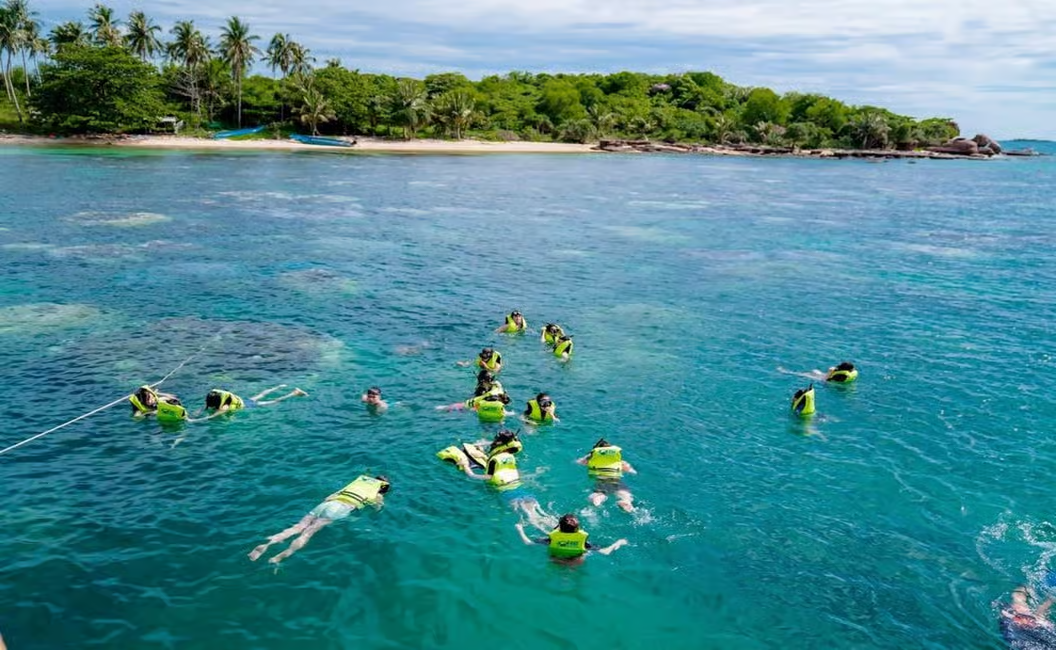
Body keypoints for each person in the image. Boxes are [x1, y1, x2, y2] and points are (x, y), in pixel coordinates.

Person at [248, 475, 390, 565]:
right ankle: (279, 557)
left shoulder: (356, 485)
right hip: (340, 508)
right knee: (307, 534)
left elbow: (327, 498)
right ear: (382, 487)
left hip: (325, 504)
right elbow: (377, 508)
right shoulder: (377, 494)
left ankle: (267, 544)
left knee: (297, 527)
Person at [461, 451, 555, 532]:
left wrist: (465, 465)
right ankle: (558, 526)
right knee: (541, 514)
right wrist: (482, 456)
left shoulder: (489, 476)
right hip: (523, 492)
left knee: (531, 517)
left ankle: (548, 534)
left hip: (510, 495)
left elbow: (471, 475)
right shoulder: (513, 471)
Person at [515, 513, 628, 563]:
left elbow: (528, 543)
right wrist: (618, 542)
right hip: (575, 563)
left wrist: (520, 529)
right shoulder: (583, 542)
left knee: (543, 530)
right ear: (578, 529)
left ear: (559, 528)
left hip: (555, 561)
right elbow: (606, 552)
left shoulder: (552, 539)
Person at [576, 438, 637, 512]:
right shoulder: (620, 462)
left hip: (602, 483)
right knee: (626, 496)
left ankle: (597, 499)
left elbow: (578, 462)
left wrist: (589, 456)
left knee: (599, 494)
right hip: (617, 482)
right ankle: (626, 503)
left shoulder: (591, 459)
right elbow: (632, 471)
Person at [204, 385, 307, 415]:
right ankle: (278, 387)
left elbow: (213, 416)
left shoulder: (224, 407)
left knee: (274, 402)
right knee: (261, 394)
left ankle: (294, 393)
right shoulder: (223, 400)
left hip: (249, 405)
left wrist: (194, 420)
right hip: (244, 401)